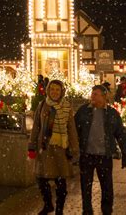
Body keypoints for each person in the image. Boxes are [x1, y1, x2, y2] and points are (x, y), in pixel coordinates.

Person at [75, 85, 126, 215]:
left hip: (104, 156)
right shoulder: (83, 111)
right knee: (85, 186)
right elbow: (74, 131)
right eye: (92, 94)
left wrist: (125, 152)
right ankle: (87, 210)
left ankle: (106, 210)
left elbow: (120, 133)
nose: (92, 96)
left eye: (96, 94)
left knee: (106, 187)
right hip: (87, 155)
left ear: (104, 97)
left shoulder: (111, 113)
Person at [28, 79, 78, 215]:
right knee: (41, 178)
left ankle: (59, 210)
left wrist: (75, 149)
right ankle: (48, 204)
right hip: (45, 148)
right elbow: (36, 127)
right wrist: (31, 146)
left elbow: (71, 129)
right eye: (52, 89)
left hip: (61, 149)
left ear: (62, 91)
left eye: (57, 89)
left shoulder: (67, 107)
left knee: (61, 181)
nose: (54, 92)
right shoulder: (43, 105)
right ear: (48, 91)